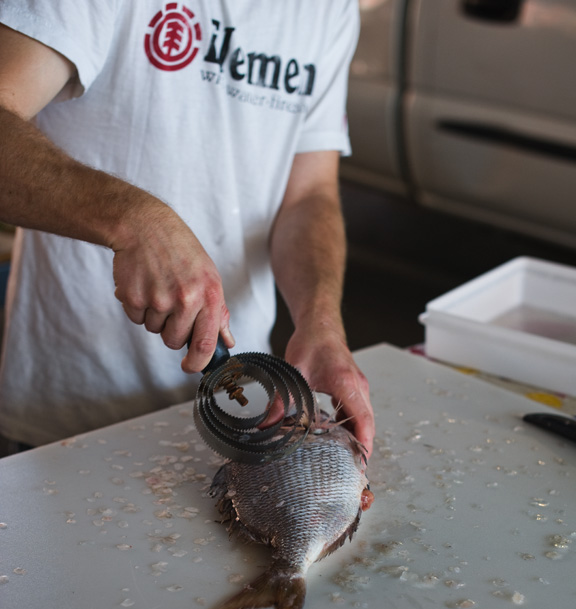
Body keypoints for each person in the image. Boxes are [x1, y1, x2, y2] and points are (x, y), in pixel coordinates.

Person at [0, 1, 375, 457]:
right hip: (70, 414)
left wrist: (321, 325)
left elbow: (308, 195)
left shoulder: (329, 10)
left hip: (242, 412)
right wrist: (134, 221)